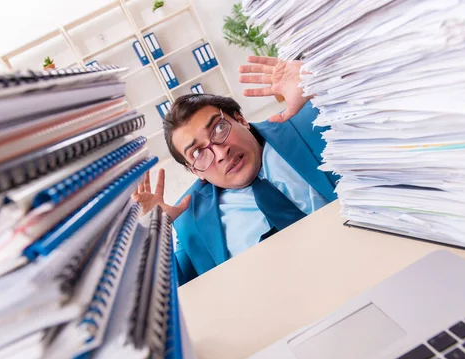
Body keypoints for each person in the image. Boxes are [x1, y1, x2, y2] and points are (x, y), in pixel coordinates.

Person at [133, 56, 338, 285]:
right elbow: (176, 293)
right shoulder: (189, 219)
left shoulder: (308, 126)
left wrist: (321, 85)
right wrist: (150, 236)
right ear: (195, 172)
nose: (221, 153)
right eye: (198, 153)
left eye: (219, 128)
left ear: (241, 119)